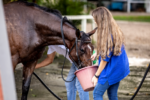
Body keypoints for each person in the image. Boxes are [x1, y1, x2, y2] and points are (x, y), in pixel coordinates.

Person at [90, 7, 130, 100]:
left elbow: (105, 60)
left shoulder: (107, 35)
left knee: (97, 93)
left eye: (95, 19)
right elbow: (109, 49)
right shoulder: (113, 30)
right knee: (112, 95)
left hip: (112, 69)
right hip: (119, 67)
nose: (95, 22)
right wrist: (97, 53)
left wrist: (96, 75)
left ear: (100, 19)